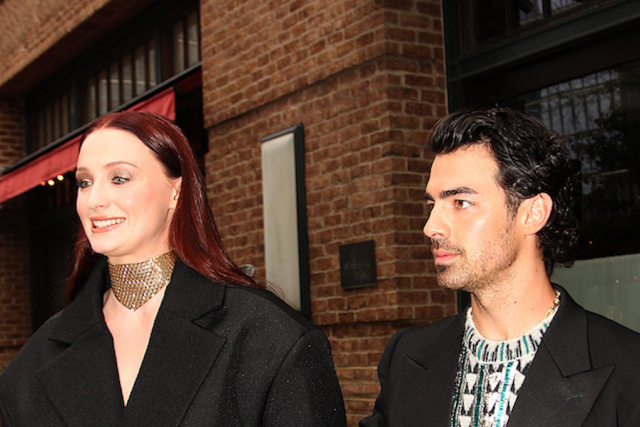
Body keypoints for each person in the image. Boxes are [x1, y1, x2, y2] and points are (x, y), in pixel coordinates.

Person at [0, 111, 347, 426]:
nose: (94, 200)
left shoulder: (267, 337)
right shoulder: (38, 356)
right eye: (84, 182)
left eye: (119, 178)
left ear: (176, 192)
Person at [360, 108, 640, 427]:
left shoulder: (628, 369)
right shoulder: (407, 357)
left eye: (460, 203)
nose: (431, 226)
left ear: (533, 213)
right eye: (431, 205)